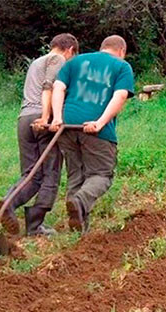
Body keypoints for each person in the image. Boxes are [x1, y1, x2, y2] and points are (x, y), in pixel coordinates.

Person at [50, 35, 134, 234]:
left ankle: (78, 230)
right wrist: (100, 123)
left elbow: (58, 87)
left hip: (67, 126)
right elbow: (120, 95)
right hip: (95, 129)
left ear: (102, 47)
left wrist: (57, 117)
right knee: (102, 174)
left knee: (76, 175)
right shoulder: (122, 67)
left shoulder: (75, 61)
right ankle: (78, 203)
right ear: (122, 51)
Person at [0, 33, 79, 236]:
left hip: (24, 118)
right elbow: (49, 87)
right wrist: (46, 117)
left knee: (31, 174)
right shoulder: (58, 59)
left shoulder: (36, 62)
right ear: (69, 50)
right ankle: (35, 226)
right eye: (73, 56)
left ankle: (8, 202)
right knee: (51, 173)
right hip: (42, 119)